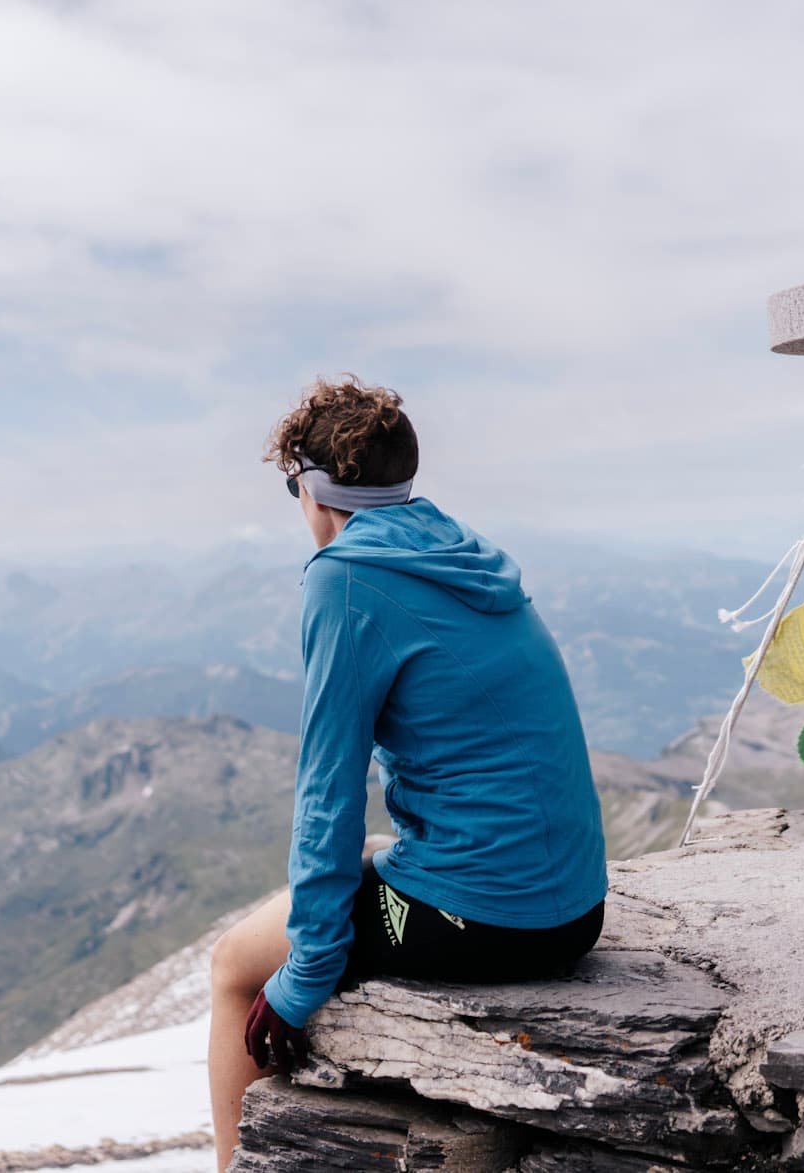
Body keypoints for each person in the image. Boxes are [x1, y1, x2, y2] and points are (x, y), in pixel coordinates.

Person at [207, 376, 609, 1170]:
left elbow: (328, 792)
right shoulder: (456, 548)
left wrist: (302, 976)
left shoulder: (344, 576)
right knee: (376, 857)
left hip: (492, 917)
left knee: (231, 965)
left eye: (292, 484)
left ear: (313, 490)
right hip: (575, 908)